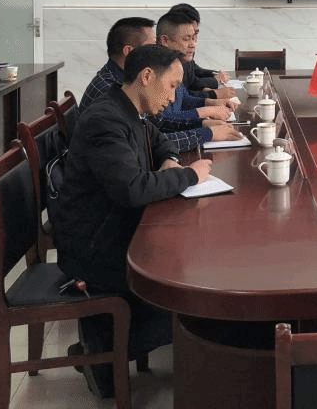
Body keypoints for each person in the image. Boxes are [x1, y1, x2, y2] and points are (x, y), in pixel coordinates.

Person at [54, 44, 212, 398]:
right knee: (190, 302)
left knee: (186, 271)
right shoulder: (105, 119)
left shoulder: (129, 108)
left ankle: (107, 345)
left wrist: (170, 160)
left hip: (111, 227)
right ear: (146, 76)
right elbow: (132, 188)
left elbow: (158, 140)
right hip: (95, 246)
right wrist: (190, 175)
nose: (172, 97)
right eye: (171, 86)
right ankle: (101, 349)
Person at [153, 9, 241, 146]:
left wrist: (205, 116)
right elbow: (161, 123)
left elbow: (183, 100)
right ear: (164, 40)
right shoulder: (156, 71)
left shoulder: (175, 65)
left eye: (194, 38)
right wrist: (206, 115)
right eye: (186, 39)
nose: (193, 44)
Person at [167, 3, 236, 100]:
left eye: (194, 35)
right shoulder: (167, 63)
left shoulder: (184, 53)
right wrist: (214, 92)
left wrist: (214, 74)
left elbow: (195, 71)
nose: (193, 43)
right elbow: (185, 95)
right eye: (187, 37)